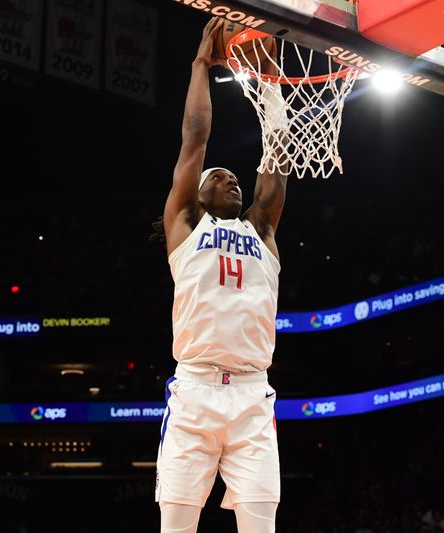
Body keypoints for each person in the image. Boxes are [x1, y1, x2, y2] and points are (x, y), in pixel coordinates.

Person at [150, 16, 289, 533]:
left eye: (235, 178)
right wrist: (200, 65)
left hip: (253, 395)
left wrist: (271, 83)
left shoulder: (262, 230)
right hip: (195, 391)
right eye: (219, 177)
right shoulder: (185, 226)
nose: (231, 179)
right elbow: (195, 138)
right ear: (198, 193)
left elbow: (277, 154)